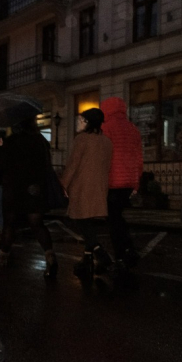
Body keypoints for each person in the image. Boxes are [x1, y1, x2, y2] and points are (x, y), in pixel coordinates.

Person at [0, 116, 58, 278]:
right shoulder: (40, 141)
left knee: (9, 224)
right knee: (37, 224)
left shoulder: (10, 142)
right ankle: (50, 256)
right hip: (34, 189)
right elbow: (46, 165)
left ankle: (3, 256)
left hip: (13, 190)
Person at [60, 109, 113, 279]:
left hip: (82, 187)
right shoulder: (106, 142)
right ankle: (87, 261)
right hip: (99, 187)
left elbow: (73, 165)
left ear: (88, 122)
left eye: (81, 120)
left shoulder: (81, 139)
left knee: (82, 222)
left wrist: (63, 184)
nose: (78, 123)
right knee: (89, 222)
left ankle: (100, 254)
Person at [100, 97, 143, 272]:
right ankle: (128, 249)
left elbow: (104, 157)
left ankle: (122, 253)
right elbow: (139, 157)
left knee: (113, 219)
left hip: (113, 181)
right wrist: (136, 182)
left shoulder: (106, 128)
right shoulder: (133, 129)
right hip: (128, 180)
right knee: (117, 216)